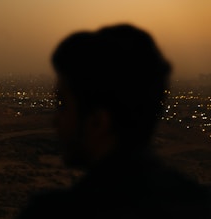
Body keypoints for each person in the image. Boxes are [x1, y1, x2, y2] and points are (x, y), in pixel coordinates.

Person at [15, 23, 211, 218]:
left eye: (63, 106)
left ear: (98, 122)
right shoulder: (198, 204)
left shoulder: (58, 213)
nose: (56, 121)